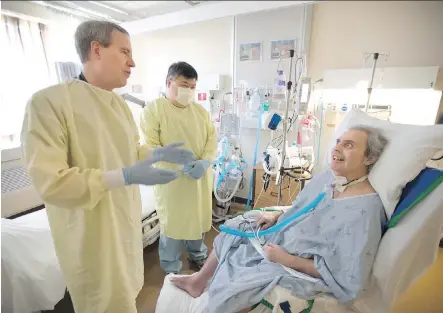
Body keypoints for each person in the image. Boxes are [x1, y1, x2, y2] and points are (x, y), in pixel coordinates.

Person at [20, 21, 195, 313]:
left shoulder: (119, 105)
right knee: (102, 302)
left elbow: (127, 151)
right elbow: (51, 183)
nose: (133, 61)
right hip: (91, 234)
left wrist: (153, 153)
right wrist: (123, 176)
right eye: (125, 51)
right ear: (96, 50)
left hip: (123, 225)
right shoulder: (48, 103)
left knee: (125, 296)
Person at [170, 126, 389, 313]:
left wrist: (286, 259)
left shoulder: (365, 210)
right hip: (282, 234)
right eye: (339, 142)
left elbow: (346, 272)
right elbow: (302, 206)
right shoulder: (330, 179)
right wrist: (277, 215)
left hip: (294, 260)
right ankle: (197, 281)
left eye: (349, 145)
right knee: (235, 227)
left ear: (369, 157)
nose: (337, 148)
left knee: (240, 284)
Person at [140, 62, 217, 274]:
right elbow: (150, 147)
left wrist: (205, 161)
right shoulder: (153, 111)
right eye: (184, 85)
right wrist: (179, 163)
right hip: (171, 181)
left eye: (193, 87)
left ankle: (198, 255)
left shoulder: (200, 112)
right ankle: (171, 266)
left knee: (198, 221)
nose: (189, 91)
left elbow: (212, 139)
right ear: (169, 82)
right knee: (173, 224)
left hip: (199, 179)